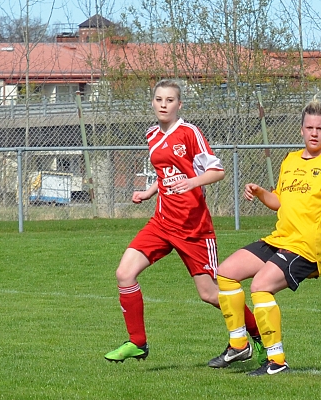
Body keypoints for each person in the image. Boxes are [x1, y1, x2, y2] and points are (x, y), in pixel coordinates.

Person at [105, 79, 263, 362]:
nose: (163, 104)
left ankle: (257, 336)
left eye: (169, 100)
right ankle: (137, 342)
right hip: (162, 222)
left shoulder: (189, 132)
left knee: (210, 294)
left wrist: (192, 182)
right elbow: (166, 174)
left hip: (193, 228)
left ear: (179, 105)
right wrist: (149, 191)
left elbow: (217, 171)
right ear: (152, 102)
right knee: (124, 273)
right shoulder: (152, 134)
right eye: (158, 99)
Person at [211, 99, 321, 375]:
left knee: (260, 286)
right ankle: (239, 344)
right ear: (301, 129)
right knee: (226, 272)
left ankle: (276, 361)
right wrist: (259, 193)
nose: (314, 132)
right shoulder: (290, 160)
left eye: (320, 128)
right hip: (280, 238)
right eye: (309, 127)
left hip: (306, 246)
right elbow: (279, 201)